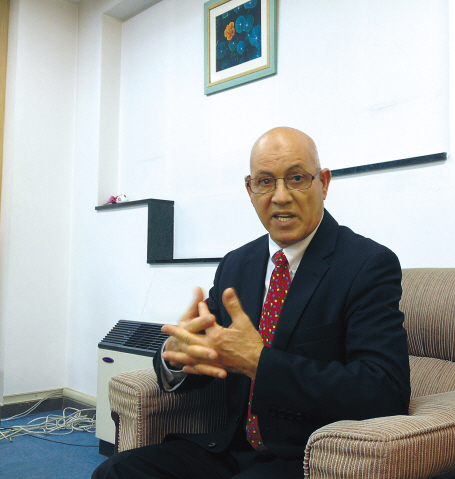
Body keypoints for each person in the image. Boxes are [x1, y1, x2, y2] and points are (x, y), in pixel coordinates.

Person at [93, 127, 411, 479]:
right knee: (116, 473)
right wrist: (176, 355)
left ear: (323, 182)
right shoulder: (236, 264)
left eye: (296, 178)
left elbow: (385, 390)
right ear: (250, 189)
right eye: (264, 181)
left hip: (306, 458)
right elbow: (205, 354)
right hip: (228, 450)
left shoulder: (366, 264)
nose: (280, 196)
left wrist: (260, 362)